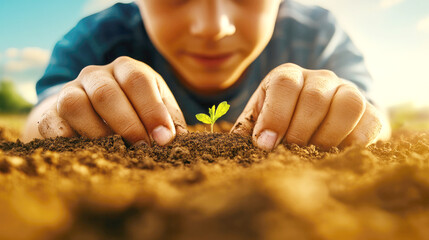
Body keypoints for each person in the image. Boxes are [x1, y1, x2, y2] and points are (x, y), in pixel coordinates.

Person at [22, 0, 391, 150]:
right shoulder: (99, 37)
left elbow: (371, 115)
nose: (213, 28)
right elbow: (44, 113)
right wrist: (65, 107)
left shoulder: (314, 34)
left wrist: (345, 106)